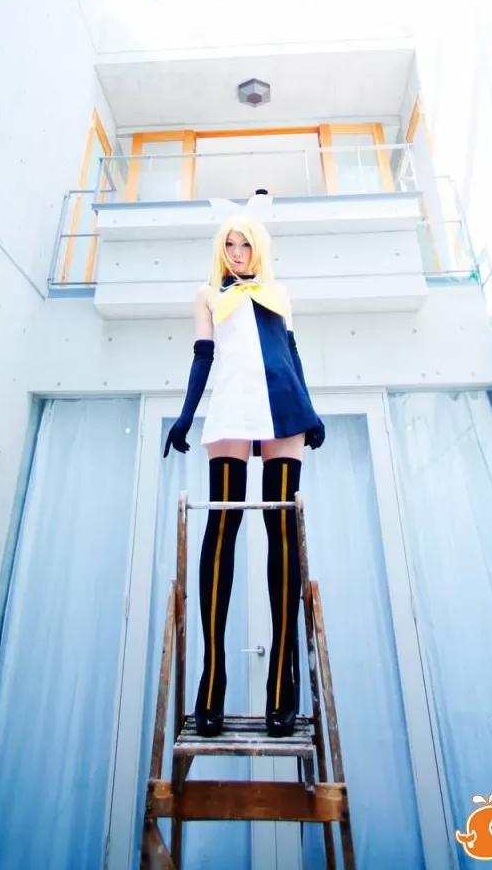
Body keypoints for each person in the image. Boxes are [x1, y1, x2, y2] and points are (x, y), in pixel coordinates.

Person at [164, 200, 325, 738]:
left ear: (259, 247)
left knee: (282, 530)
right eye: (229, 244)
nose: (236, 252)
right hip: (232, 407)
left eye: (245, 243)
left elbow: (292, 355)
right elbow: (202, 357)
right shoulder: (209, 294)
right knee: (222, 527)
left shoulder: (278, 294)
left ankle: (282, 687)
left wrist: (311, 411)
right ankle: (211, 683)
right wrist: (185, 416)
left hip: (283, 410)